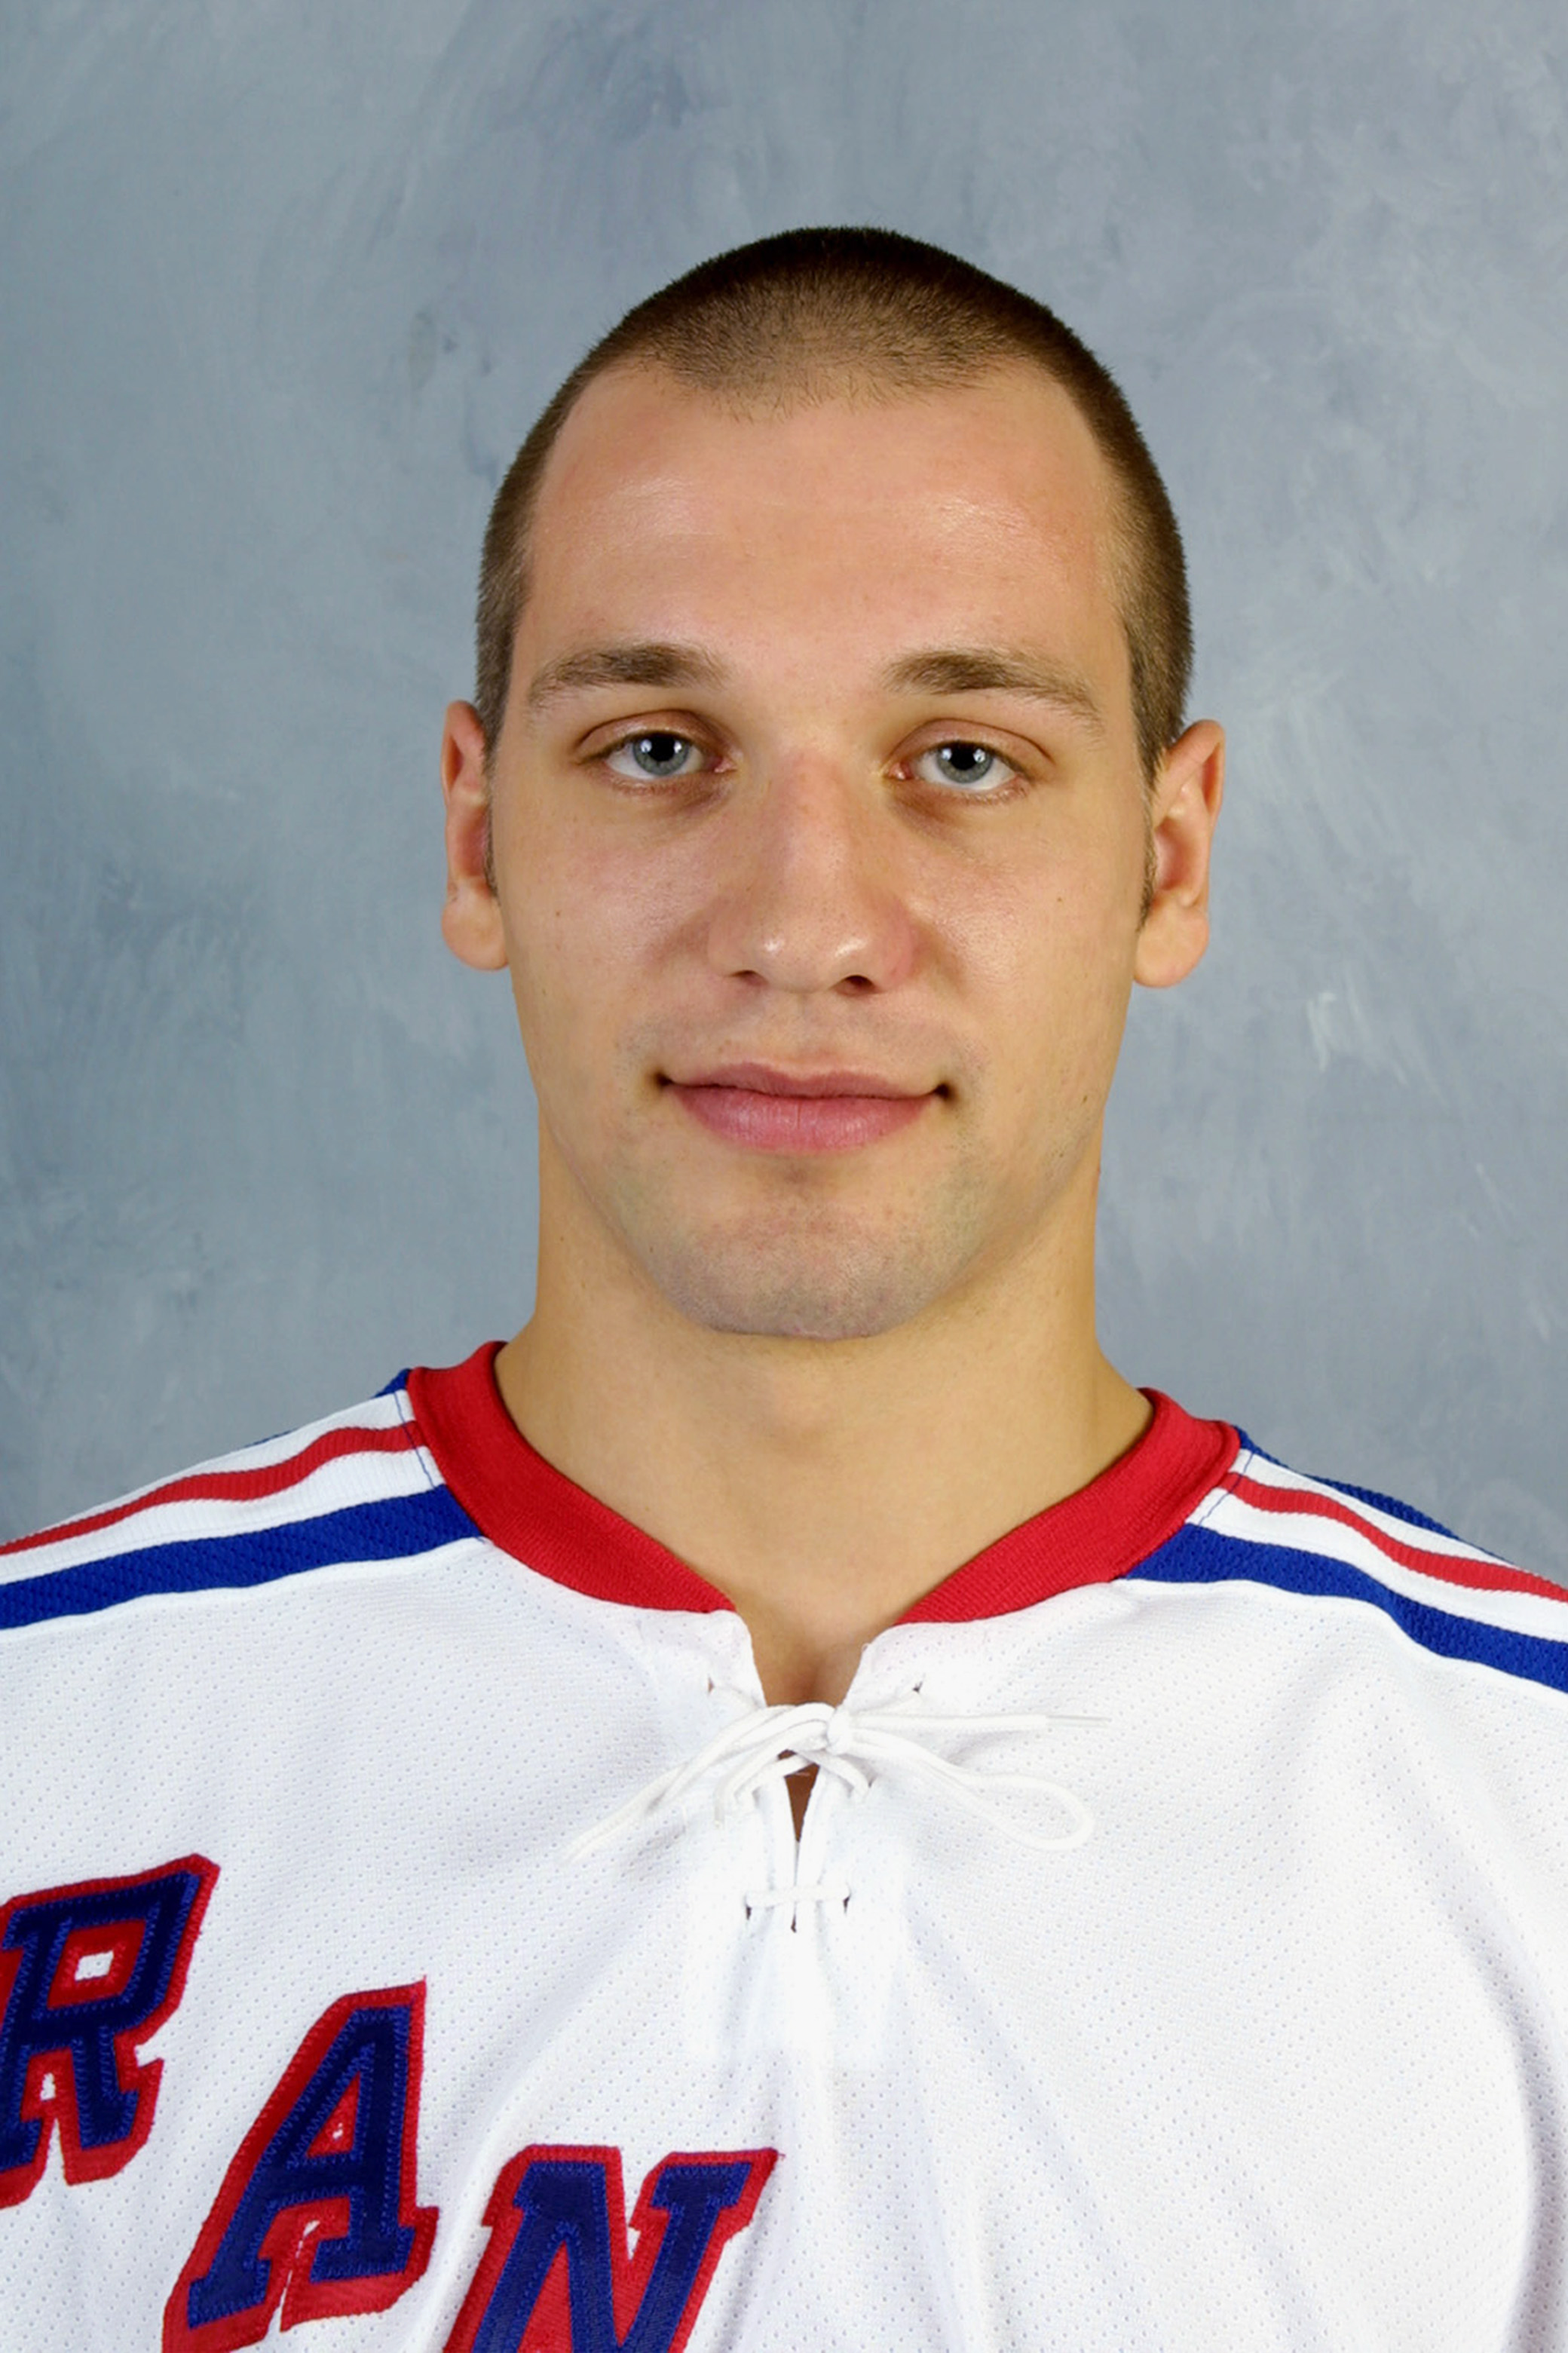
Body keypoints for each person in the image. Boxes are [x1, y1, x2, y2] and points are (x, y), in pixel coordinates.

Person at [2, 228, 1564, 2353]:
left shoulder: (1518, 1822)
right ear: (474, 838)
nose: (807, 923)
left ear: (1168, 860)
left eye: (963, 760)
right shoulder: (52, 1760)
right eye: (659, 747)